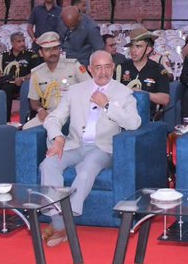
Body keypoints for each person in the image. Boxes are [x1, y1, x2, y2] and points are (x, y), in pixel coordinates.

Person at [39, 50, 141, 246]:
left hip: (103, 149)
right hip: (74, 144)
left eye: (107, 67)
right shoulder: (76, 90)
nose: (103, 72)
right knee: (48, 164)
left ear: (113, 67)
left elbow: (134, 123)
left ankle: (64, 223)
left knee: (86, 169)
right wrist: (58, 138)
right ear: (90, 69)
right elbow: (54, 118)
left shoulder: (123, 93)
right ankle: (59, 222)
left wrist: (108, 105)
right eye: (98, 67)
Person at [23, 31, 88, 126]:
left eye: (55, 48)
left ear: (60, 50)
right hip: (51, 113)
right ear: (41, 53)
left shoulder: (74, 65)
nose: (52, 53)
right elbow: (34, 100)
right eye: (47, 50)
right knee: (27, 129)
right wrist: (40, 109)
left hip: (74, 111)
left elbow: (90, 86)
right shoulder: (37, 73)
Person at [114, 27, 171, 115]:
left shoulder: (158, 70)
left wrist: (142, 93)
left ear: (148, 49)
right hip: (123, 115)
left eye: (138, 46)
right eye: (131, 46)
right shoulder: (121, 68)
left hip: (147, 117)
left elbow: (165, 99)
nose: (133, 50)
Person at [0, 31, 39, 112]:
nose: (22, 43)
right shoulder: (4, 55)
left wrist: (23, 78)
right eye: (19, 41)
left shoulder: (31, 55)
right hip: (5, 81)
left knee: (7, 88)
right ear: (12, 43)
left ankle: (6, 118)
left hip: (22, 83)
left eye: (23, 41)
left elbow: (35, 72)